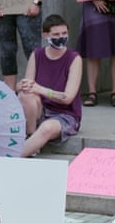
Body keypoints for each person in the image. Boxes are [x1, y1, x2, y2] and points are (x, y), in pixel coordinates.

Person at [18, 14, 82, 157]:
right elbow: (28, 87)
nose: (61, 37)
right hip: (40, 110)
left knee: (46, 128)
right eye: (56, 34)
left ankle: (9, 160)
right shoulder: (37, 54)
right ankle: (31, 137)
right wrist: (22, 86)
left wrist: (40, 89)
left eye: (64, 33)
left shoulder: (74, 58)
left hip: (65, 115)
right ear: (46, 35)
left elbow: (67, 98)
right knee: (25, 95)